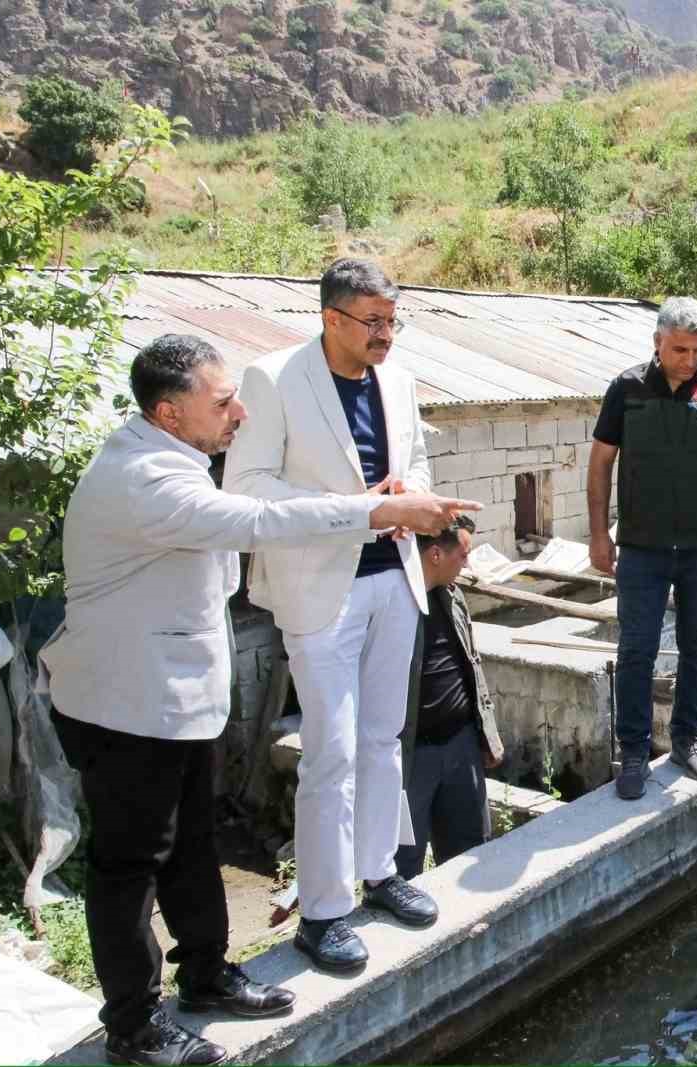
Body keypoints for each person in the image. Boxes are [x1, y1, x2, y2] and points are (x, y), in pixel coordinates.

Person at [41, 334, 471, 1066]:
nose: (239, 411)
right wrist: (371, 513)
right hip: (124, 709)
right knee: (127, 869)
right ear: (171, 413)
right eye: (222, 402)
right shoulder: (146, 480)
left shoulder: (178, 460)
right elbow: (260, 521)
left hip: (174, 705)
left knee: (193, 846)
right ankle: (134, 1024)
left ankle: (205, 974)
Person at [224, 259, 454, 974]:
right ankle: (323, 912)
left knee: (385, 738)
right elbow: (250, 492)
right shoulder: (273, 380)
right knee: (332, 749)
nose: (387, 334)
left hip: (395, 577)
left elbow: (413, 466)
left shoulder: (400, 382)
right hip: (321, 589)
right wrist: (367, 509)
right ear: (332, 318)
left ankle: (381, 872)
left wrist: (405, 493)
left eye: (393, 320)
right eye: (373, 322)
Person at [586, 296, 697, 801]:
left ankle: (686, 738)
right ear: (656, 343)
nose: (689, 360)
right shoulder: (627, 389)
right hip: (642, 548)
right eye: (679, 349)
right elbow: (600, 465)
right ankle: (635, 750)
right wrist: (599, 533)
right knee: (636, 650)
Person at [394, 516, 505, 880]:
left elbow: (471, 665)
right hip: (411, 758)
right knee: (402, 866)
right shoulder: (394, 604)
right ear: (437, 554)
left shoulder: (453, 597)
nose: (468, 564)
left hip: (461, 747)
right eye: (464, 555)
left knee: (471, 853)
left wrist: (486, 733)